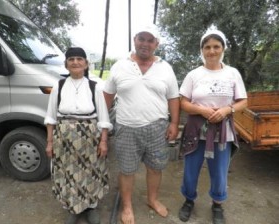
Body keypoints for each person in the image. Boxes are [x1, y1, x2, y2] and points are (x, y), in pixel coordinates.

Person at [103, 24, 180, 224]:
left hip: (157, 127)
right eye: (141, 39)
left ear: (156, 43)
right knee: (127, 170)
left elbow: (173, 97)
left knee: (155, 167)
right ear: (135, 40)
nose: (145, 44)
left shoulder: (165, 67)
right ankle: (127, 206)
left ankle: (152, 199)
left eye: (150, 40)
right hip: (126, 127)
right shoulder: (120, 66)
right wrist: (104, 124)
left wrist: (174, 123)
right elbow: (107, 97)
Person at [178, 29, 248, 224]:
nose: (212, 51)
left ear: (223, 48)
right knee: (191, 169)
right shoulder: (194, 74)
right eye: (207, 47)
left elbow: (243, 101)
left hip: (222, 131)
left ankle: (217, 204)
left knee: (219, 170)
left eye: (216, 46)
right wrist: (201, 110)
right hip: (195, 130)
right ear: (202, 50)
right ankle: (189, 200)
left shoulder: (232, 73)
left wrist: (226, 110)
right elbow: (183, 102)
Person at [44, 47, 113, 224]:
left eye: (79, 59)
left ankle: (91, 207)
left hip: (89, 137)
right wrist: (50, 142)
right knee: (68, 172)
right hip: (64, 138)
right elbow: (51, 117)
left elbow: (103, 117)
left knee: (92, 171)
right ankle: (73, 208)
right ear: (66, 64)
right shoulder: (58, 86)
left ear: (86, 63)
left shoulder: (94, 87)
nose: (75, 62)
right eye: (71, 59)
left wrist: (103, 141)